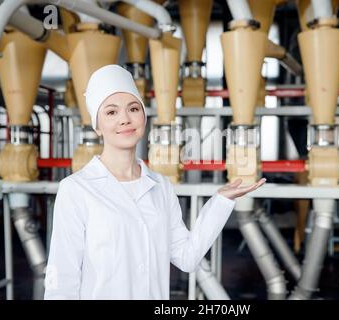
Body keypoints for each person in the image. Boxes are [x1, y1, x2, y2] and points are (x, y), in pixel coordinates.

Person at [44, 64, 266, 299]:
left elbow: (186, 257)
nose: (125, 119)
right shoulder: (76, 189)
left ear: (144, 115)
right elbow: (63, 282)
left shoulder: (160, 186)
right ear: (97, 126)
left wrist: (221, 201)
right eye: (111, 112)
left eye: (133, 108)